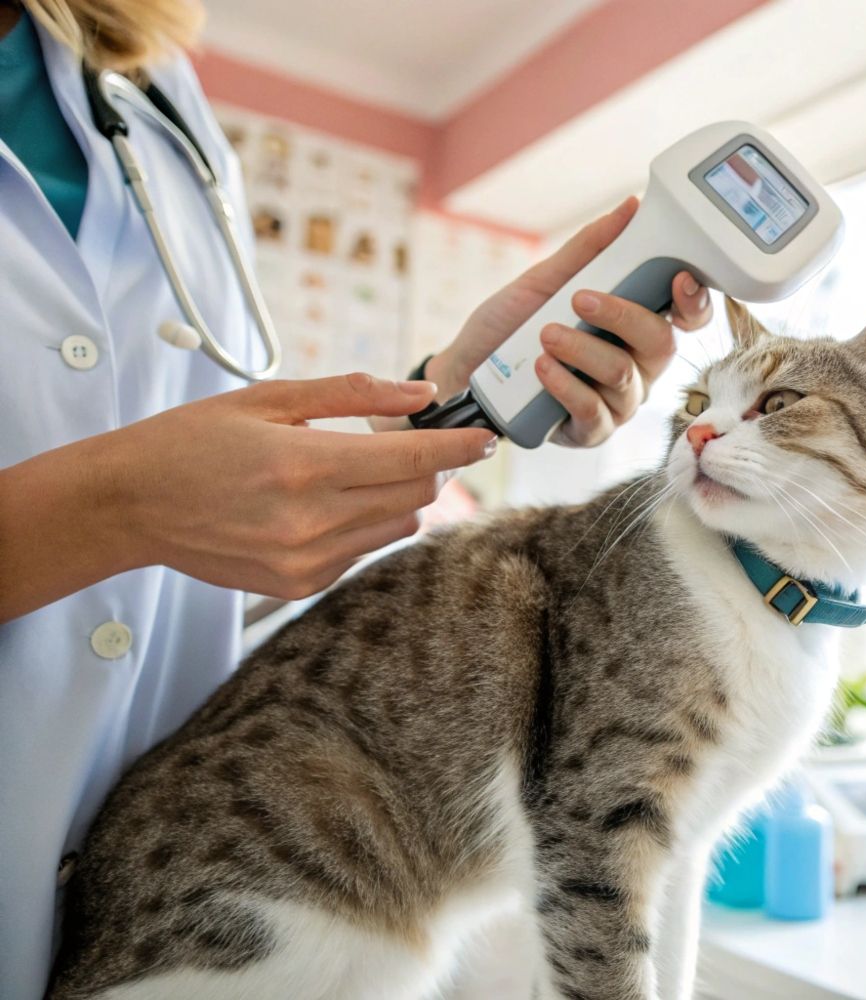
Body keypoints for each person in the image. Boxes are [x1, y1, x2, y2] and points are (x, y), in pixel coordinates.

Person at [0, 1, 712, 996]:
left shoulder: (153, 98)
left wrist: (454, 398)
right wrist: (118, 505)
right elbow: (143, 506)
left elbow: (192, 565)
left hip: (155, 899)